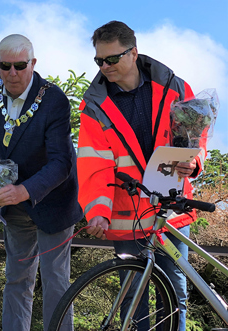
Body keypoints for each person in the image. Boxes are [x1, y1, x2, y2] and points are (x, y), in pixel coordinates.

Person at [78, 21, 207, 330]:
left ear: (133, 53)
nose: (104, 66)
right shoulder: (94, 106)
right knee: (131, 298)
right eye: (99, 60)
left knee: (175, 296)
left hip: (170, 210)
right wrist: (96, 211)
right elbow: (93, 163)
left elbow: (196, 139)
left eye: (111, 58)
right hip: (127, 214)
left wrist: (195, 162)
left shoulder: (175, 87)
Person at [0, 34, 83, 330]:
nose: (12, 73)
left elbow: (63, 162)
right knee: (16, 278)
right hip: (11, 201)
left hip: (53, 200)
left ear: (33, 63)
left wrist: (24, 190)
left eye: (20, 65)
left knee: (56, 281)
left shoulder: (54, 100)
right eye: (4, 66)